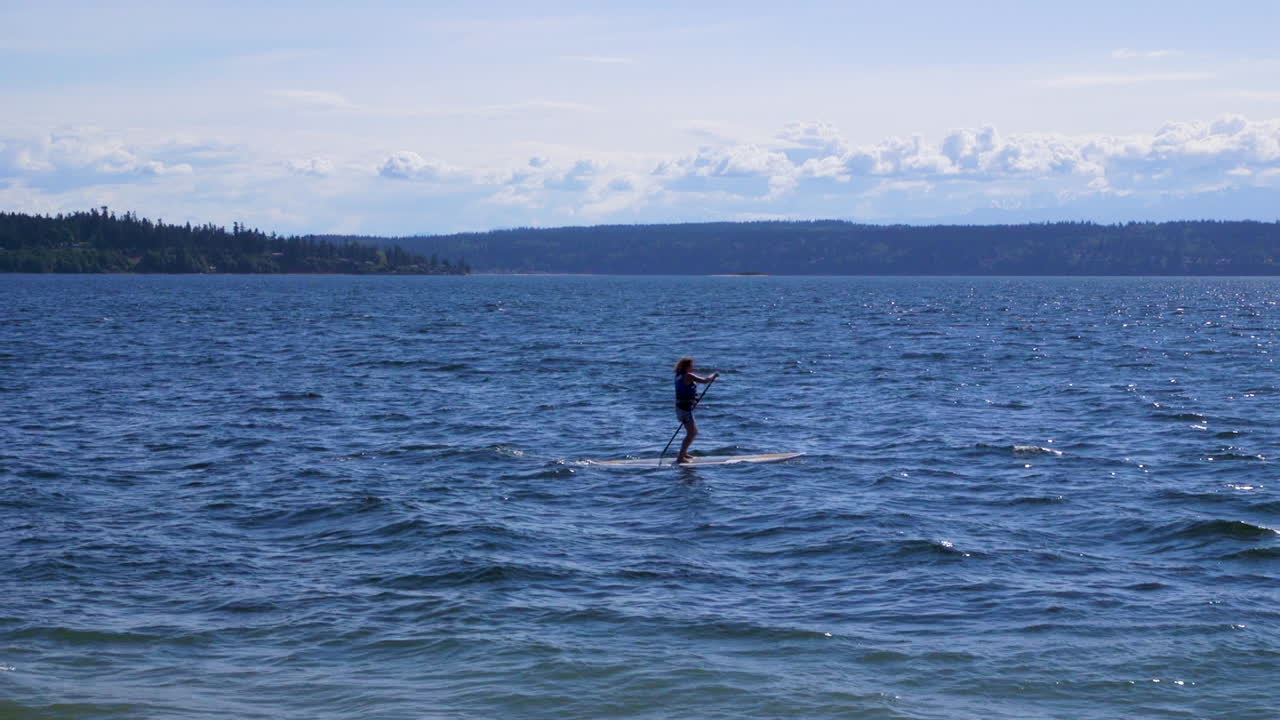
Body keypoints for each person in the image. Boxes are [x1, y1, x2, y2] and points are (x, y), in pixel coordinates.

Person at [673, 356, 718, 463]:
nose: (694, 367)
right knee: (692, 433)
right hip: (684, 409)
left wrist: (694, 399)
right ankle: (680, 457)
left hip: (682, 407)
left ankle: (683, 454)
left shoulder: (678, 376)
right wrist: (714, 375)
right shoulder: (688, 376)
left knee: (692, 432)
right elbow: (705, 381)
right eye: (692, 365)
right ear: (687, 366)